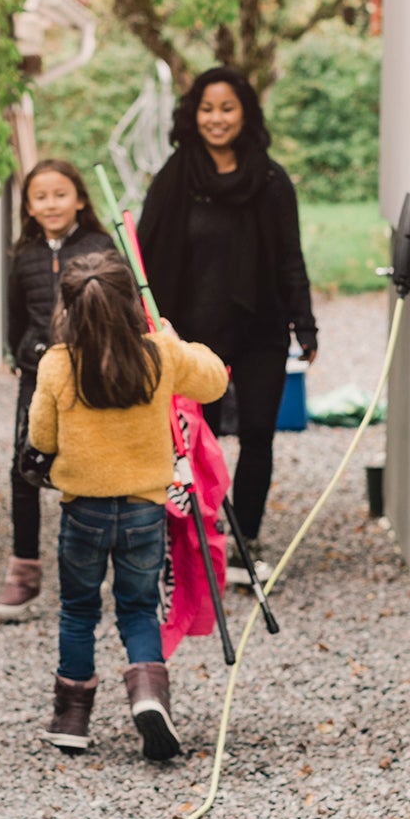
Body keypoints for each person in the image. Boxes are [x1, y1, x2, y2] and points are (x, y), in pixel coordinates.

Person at [27, 251, 227, 760]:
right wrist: (173, 338)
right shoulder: (160, 354)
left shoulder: (56, 364)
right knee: (138, 609)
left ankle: (72, 717)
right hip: (144, 510)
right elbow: (215, 380)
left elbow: (41, 436)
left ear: (69, 307)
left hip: (83, 511)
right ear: (131, 305)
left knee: (78, 610)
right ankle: (148, 697)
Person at [135, 67, 316, 578]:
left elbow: (290, 256)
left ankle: (247, 538)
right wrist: (147, 326)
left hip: (261, 325)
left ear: (245, 114)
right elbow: (145, 256)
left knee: (259, 432)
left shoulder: (273, 179)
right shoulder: (176, 177)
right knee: (200, 436)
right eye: (207, 108)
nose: (217, 118)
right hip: (194, 332)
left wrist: (306, 325)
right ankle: (207, 533)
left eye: (227, 108)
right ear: (194, 114)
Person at [0, 159, 115, 622]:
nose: (51, 203)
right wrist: (23, 353)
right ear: (28, 206)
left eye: (60, 194)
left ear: (80, 198)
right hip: (37, 377)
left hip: (89, 377)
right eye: (39, 196)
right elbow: (16, 316)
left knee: (84, 469)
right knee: (26, 466)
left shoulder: (102, 247)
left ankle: (87, 568)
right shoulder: (24, 254)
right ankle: (24, 573)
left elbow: (118, 311)